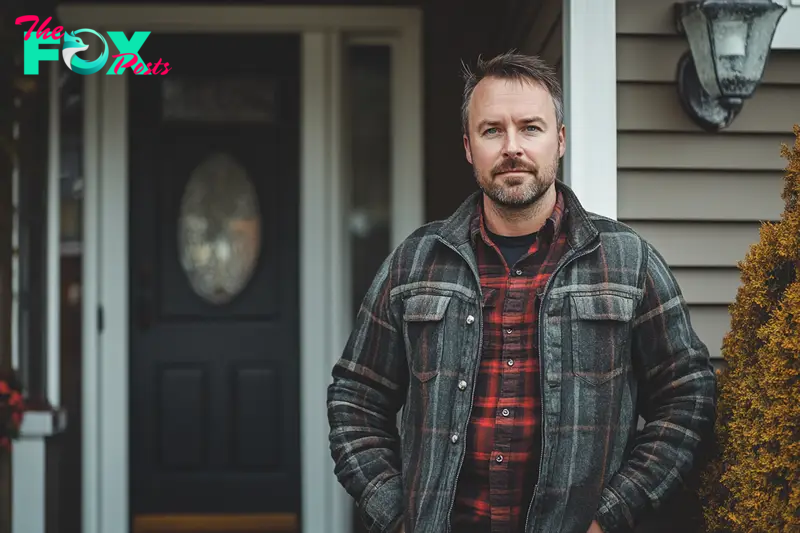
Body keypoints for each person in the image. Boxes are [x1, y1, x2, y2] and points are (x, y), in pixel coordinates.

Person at [327, 52, 717, 533]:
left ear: (560, 140)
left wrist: (612, 514)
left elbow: (687, 395)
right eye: (492, 130)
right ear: (469, 147)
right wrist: (395, 513)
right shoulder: (415, 262)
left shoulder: (628, 262)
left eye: (530, 128)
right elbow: (355, 398)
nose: (512, 147)